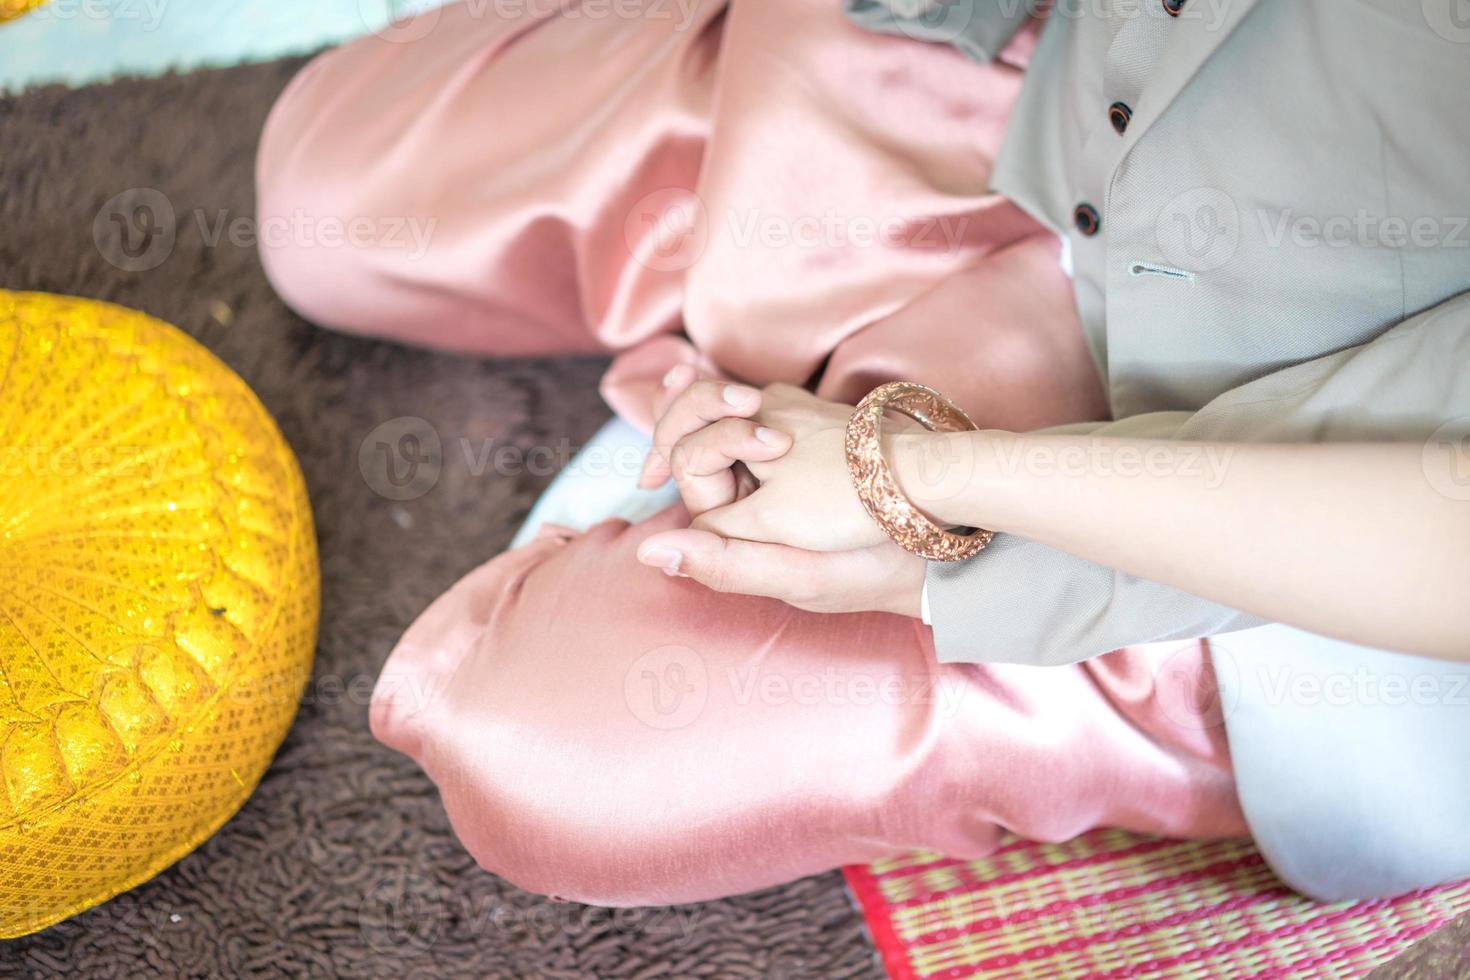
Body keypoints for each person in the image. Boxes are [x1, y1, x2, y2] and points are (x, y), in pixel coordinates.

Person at [256, 0, 1470, 905]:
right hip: (1026, 89)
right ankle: (736, 364)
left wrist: (928, 479)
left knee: (538, 747)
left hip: (1246, 468)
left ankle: (737, 408)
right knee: (320, 202)